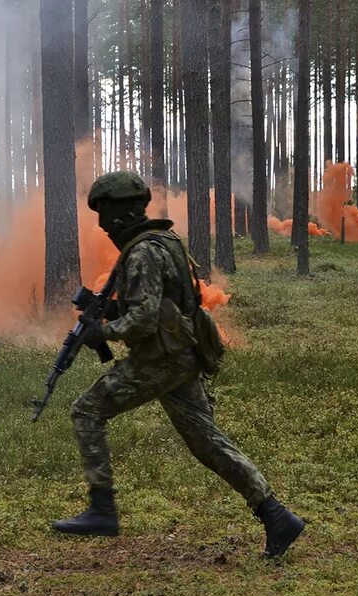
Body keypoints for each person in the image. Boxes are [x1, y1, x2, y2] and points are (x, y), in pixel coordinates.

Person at [50, 171, 304, 558]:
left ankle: (102, 510)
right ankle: (277, 516)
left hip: (161, 361)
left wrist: (102, 331)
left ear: (117, 214)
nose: (102, 226)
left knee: (86, 410)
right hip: (181, 358)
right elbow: (158, 300)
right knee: (208, 443)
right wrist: (113, 309)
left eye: (104, 216)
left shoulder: (142, 252)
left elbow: (144, 319)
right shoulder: (163, 241)